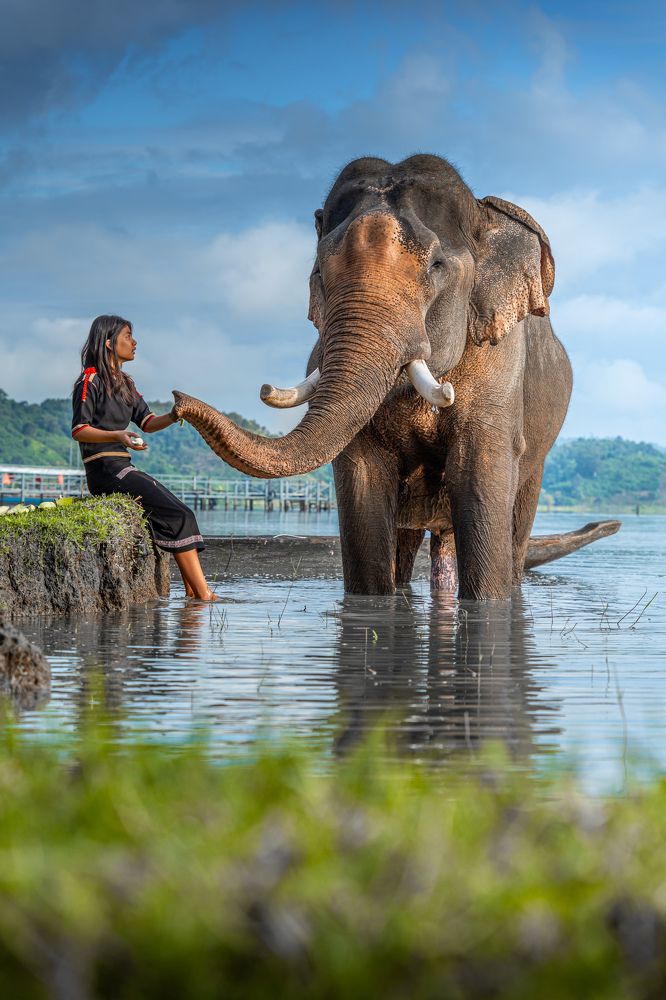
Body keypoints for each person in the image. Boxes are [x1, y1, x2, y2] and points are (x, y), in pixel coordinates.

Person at [71, 314, 218, 601]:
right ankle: (204, 596)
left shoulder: (125, 382)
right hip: (105, 470)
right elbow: (79, 430)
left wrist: (176, 415)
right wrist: (118, 435)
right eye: (128, 336)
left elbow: (148, 421)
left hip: (123, 467)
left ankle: (193, 595)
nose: (134, 342)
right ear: (110, 343)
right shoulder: (90, 380)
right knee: (181, 514)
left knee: (180, 513)